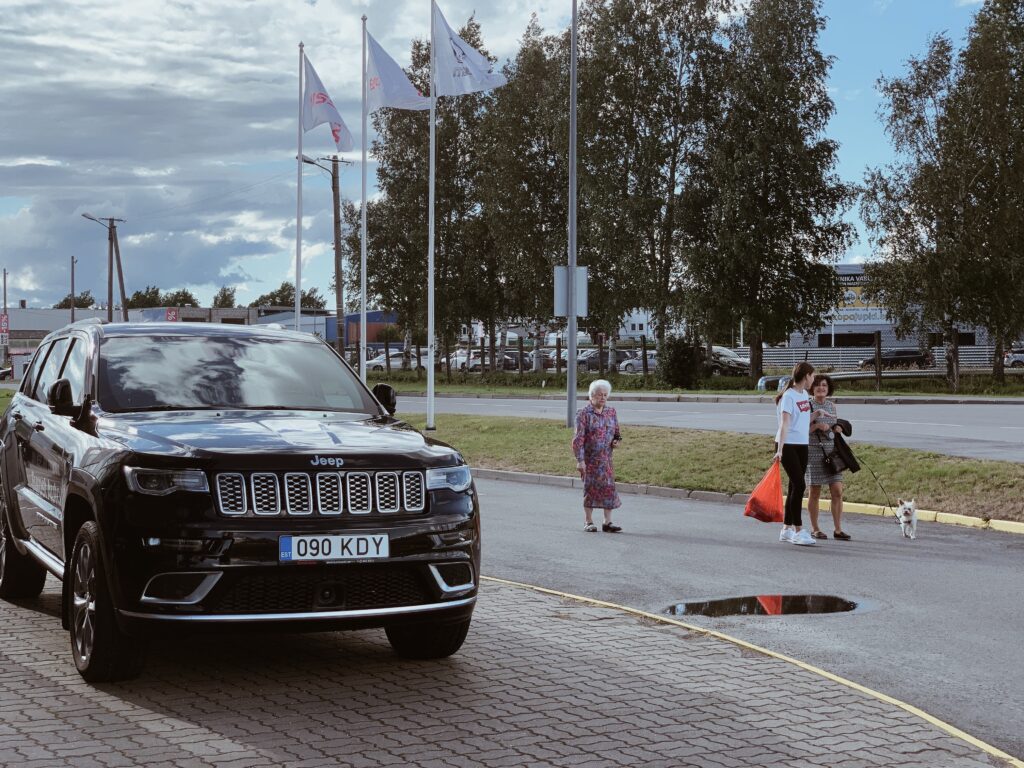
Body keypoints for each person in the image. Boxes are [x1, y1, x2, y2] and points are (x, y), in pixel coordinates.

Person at [773, 361, 820, 546]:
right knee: (800, 485)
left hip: (802, 444)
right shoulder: (789, 396)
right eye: (813, 376)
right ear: (806, 375)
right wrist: (779, 450)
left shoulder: (804, 395)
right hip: (788, 445)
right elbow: (784, 424)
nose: (814, 380)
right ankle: (798, 530)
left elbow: (802, 419)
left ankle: (785, 530)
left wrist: (818, 415)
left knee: (794, 486)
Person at [572, 379, 622, 533]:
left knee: (608, 489)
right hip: (590, 460)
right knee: (590, 490)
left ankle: (607, 522)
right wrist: (580, 461)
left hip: (606, 460)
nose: (603, 397)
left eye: (605, 395)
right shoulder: (583, 414)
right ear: (591, 396)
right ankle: (589, 521)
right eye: (600, 395)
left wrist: (616, 441)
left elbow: (617, 434)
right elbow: (578, 439)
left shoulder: (611, 412)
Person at [806, 374, 850, 540]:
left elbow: (834, 425)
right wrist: (817, 425)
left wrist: (837, 427)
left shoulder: (832, 406)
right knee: (815, 491)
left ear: (828, 388)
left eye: (824, 385)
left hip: (831, 453)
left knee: (837, 490)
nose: (821, 388)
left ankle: (838, 529)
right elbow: (800, 430)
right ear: (812, 388)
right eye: (817, 385)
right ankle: (815, 528)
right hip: (813, 452)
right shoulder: (808, 405)